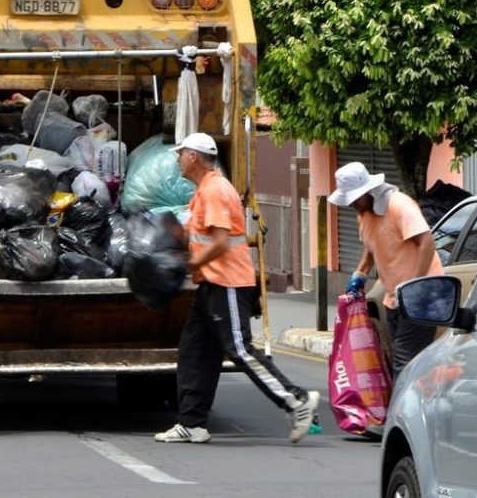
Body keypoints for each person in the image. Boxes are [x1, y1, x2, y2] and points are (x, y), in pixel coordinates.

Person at [154, 133, 320, 444]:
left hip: (227, 283)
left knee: (240, 349)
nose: (177, 159)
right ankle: (192, 423)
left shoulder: (216, 190)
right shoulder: (204, 190)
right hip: (210, 284)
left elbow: (218, 242)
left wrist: (188, 266)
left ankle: (296, 401)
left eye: (181, 154)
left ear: (193, 156)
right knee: (194, 353)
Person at [327, 161, 443, 381]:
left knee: (405, 357)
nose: (352, 204)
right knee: (402, 356)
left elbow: (426, 243)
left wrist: (414, 286)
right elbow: (372, 247)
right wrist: (359, 275)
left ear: (368, 191)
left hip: (423, 294)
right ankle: (419, 403)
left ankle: (400, 412)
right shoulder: (363, 213)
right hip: (395, 297)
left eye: (354, 199)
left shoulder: (399, 205)